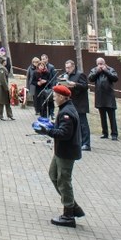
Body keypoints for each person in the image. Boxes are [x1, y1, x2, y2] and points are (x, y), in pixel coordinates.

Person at [42, 83, 84, 227]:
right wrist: (51, 126)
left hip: (66, 152)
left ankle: (68, 215)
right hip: (61, 151)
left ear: (61, 97)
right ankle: (73, 206)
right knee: (53, 175)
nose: (54, 98)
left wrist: (47, 131)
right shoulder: (65, 109)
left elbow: (65, 134)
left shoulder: (67, 113)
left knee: (64, 181)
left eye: (55, 96)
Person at [61, 59, 91, 150]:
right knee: (72, 123)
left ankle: (86, 143)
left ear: (73, 67)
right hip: (70, 102)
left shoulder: (80, 74)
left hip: (80, 103)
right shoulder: (66, 75)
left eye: (69, 68)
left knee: (82, 123)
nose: (67, 69)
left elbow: (85, 86)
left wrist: (75, 84)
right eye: (66, 67)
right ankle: (76, 141)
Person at [88, 57, 119, 140]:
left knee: (112, 117)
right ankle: (105, 133)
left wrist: (106, 71)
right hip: (100, 97)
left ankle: (114, 134)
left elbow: (115, 78)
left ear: (104, 63)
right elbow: (90, 78)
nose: (100, 65)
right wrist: (98, 71)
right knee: (102, 117)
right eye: (98, 64)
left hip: (109, 97)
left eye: (101, 63)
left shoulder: (110, 69)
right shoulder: (94, 70)